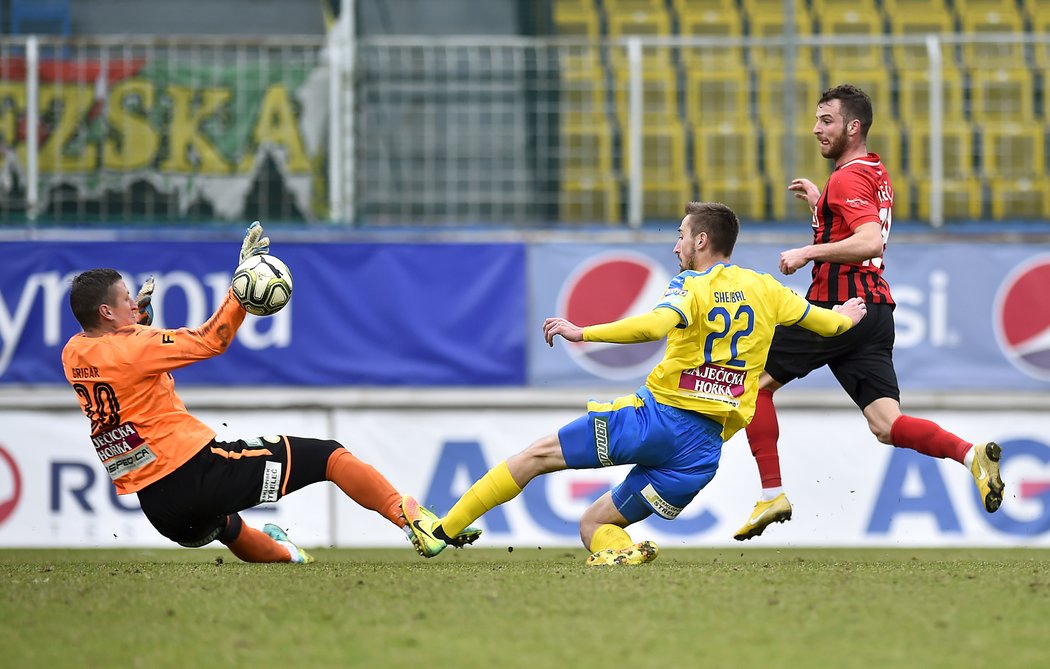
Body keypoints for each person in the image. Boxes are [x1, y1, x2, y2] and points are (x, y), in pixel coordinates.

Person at [398, 202, 867, 565]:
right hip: (699, 456)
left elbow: (653, 326)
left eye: (681, 236)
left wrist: (583, 332)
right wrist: (846, 317)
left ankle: (440, 532)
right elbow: (824, 324)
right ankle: (620, 550)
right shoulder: (766, 289)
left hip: (657, 420)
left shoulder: (691, 286)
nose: (675, 245)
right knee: (592, 525)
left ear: (702, 241)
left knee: (535, 456)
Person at [62, 222, 480, 563]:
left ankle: (287, 556)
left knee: (229, 527)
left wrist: (141, 323)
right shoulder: (134, 344)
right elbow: (211, 341)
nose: (134, 305)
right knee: (329, 457)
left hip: (160, 508)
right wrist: (241, 291)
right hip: (196, 472)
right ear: (106, 312)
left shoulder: (74, 353)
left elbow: (124, 363)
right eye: (126, 300)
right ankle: (412, 520)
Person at [733, 84, 1004, 541]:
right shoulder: (871, 171)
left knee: (751, 383)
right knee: (885, 424)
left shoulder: (848, 178)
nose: (816, 129)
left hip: (838, 309)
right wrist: (822, 202)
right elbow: (860, 221)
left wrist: (807, 251)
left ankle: (772, 493)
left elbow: (870, 241)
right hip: (875, 311)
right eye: (817, 120)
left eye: (826, 121)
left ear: (852, 127)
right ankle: (969, 454)